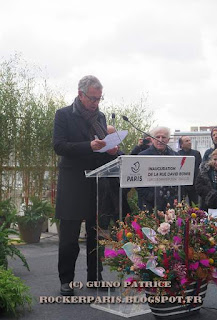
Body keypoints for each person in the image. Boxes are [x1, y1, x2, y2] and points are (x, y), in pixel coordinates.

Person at [53, 75, 118, 296]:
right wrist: (88, 146)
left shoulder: (99, 116)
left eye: (100, 99)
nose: (96, 103)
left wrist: (111, 151)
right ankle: (66, 280)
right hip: (72, 182)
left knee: (96, 234)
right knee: (69, 236)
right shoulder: (63, 114)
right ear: (81, 94)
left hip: (96, 182)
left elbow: (100, 148)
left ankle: (95, 278)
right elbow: (59, 146)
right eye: (93, 98)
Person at [137, 127, 178, 212]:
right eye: (157, 137)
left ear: (168, 139)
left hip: (169, 203)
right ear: (152, 139)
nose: (160, 140)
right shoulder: (143, 156)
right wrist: (150, 196)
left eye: (163, 137)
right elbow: (138, 181)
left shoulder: (175, 156)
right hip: (148, 203)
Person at [178, 136, 202, 205]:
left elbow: (198, 166)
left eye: (189, 140)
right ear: (181, 145)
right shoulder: (178, 154)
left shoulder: (196, 154)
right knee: (181, 203)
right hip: (182, 183)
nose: (189, 142)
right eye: (187, 141)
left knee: (194, 203)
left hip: (193, 183)